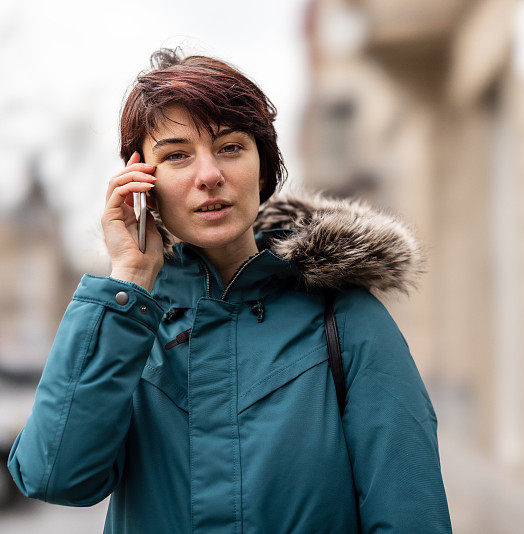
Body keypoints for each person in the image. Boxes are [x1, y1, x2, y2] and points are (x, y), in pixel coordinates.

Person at [7, 48, 452, 533]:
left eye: (230, 147)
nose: (209, 175)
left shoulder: (345, 321)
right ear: (143, 185)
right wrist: (129, 281)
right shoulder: (129, 328)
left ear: (263, 169)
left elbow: (411, 516)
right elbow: (54, 477)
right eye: (176, 155)